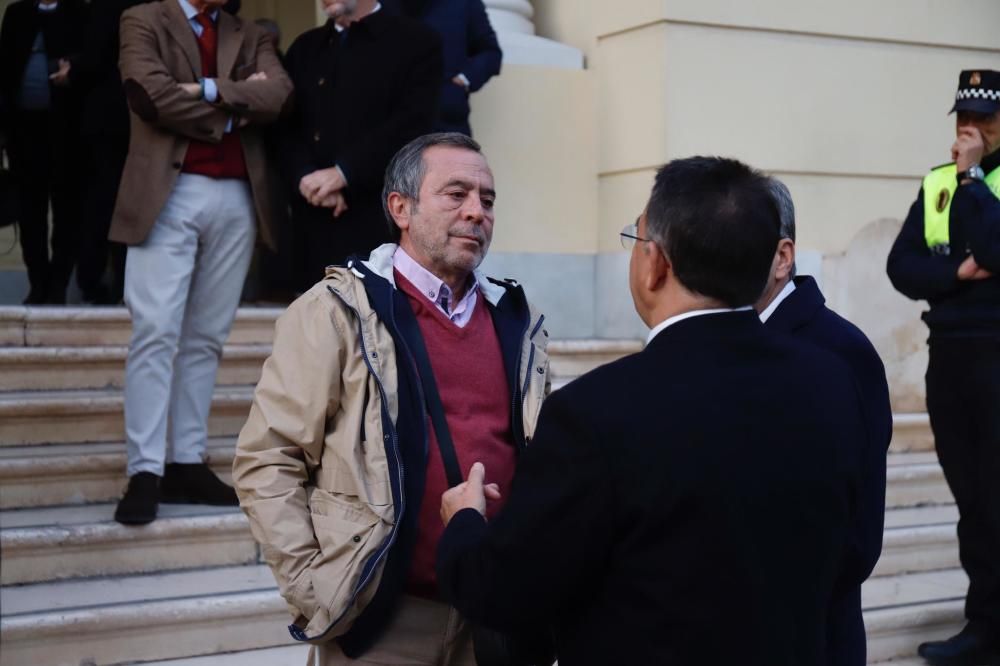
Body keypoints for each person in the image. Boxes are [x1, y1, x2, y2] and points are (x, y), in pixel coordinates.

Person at [435, 156, 869, 665]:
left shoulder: (594, 413)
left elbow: (504, 592)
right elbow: (850, 552)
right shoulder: (830, 382)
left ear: (656, 263)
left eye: (636, 240)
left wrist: (463, 521)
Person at [233, 132, 551, 665]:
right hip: (384, 623)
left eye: (487, 199)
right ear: (400, 208)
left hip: (493, 618)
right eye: (456, 194)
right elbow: (269, 457)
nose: (477, 212)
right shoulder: (336, 310)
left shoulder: (518, 318)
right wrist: (315, 589)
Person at [110, 0, 292, 525]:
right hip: (167, 191)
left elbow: (278, 94)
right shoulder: (143, 19)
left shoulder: (249, 31)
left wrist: (206, 90)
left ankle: (186, 460)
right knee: (155, 331)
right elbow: (150, 97)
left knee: (207, 336)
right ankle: (145, 469)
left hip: (237, 196)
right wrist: (237, 106)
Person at [887, 69, 1000, 666]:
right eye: (963, 116)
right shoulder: (936, 183)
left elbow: (997, 248)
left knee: (996, 496)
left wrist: (974, 177)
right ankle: (983, 624)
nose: (969, 128)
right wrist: (956, 274)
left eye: (983, 118)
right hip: (950, 359)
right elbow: (901, 267)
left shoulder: (976, 181)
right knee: (973, 501)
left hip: (997, 356)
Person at [757, 177, 893, 666]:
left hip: (813, 637)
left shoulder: (842, 351)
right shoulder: (728, 341)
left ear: (782, 256)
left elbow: (858, 535)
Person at [277, 0, 443, 293]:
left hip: (375, 216)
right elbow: (285, 125)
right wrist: (305, 176)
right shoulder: (305, 47)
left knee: (374, 325)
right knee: (312, 327)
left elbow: (411, 124)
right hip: (311, 214)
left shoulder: (417, 42)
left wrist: (344, 173)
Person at [0, 0, 88, 304]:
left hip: (66, 133)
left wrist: (72, 69)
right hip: (23, 132)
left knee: (67, 211)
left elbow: (92, 59)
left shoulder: (79, 12)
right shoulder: (16, 13)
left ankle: (58, 284)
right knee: (29, 212)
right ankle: (37, 283)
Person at [71, 0, 153, 305]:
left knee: (104, 204)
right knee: (120, 203)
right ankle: (117, 284)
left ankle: (96, 283)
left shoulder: (107, 8)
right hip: (127, 120)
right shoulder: (149, 8)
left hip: (110, 120)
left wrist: (72, 68)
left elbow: (92, 59)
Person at [395, 0, 501, 136]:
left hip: (444, 120)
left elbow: (490, 52)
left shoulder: (465, 3)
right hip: (391, 118)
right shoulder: (381, 3)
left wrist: (462, 80)